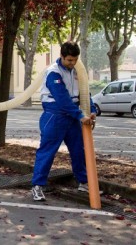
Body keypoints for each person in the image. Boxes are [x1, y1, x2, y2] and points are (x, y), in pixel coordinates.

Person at [31, 41, 97, 201]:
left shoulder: (78, 71)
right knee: (48, 151)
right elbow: (61, 98)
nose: (72, 63)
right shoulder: (53, 73)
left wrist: (92, 110)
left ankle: (83, 182)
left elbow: (85, 92)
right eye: (69, 60)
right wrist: (81, 116)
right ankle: (37, 186)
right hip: (55, 115)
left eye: (75, 60)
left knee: (78, 150)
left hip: (73, 115)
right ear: (61, 56)